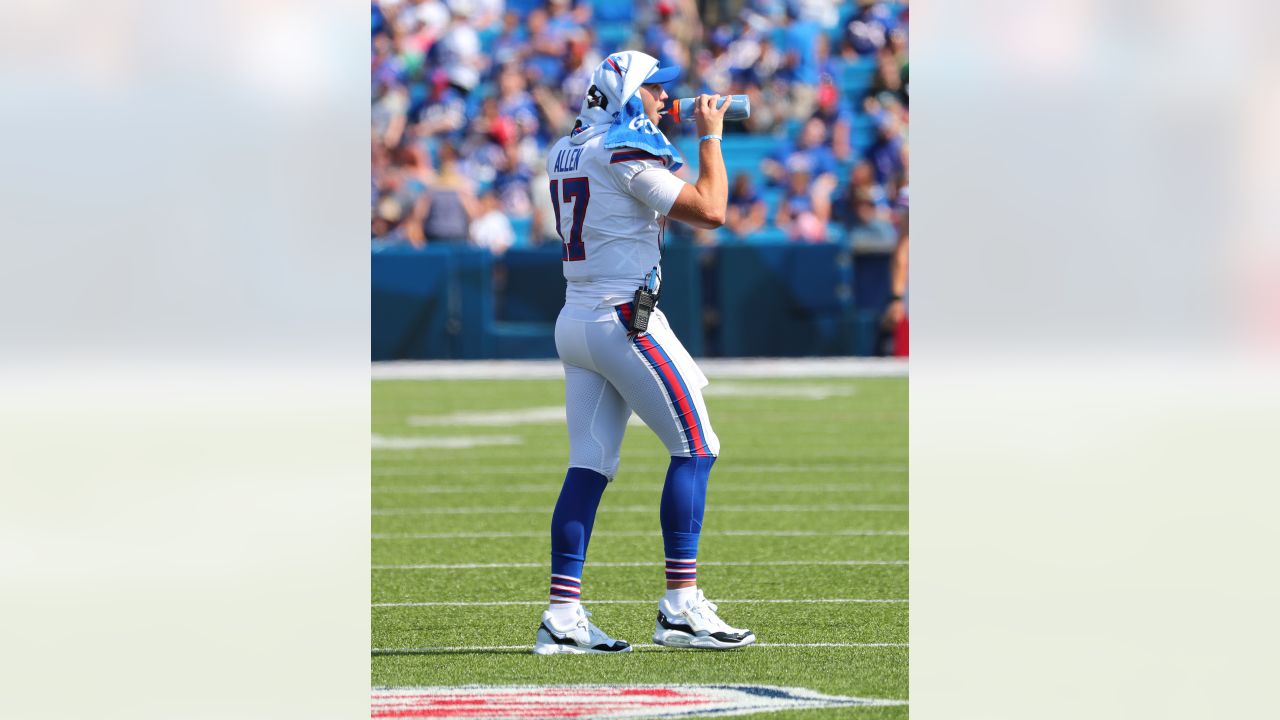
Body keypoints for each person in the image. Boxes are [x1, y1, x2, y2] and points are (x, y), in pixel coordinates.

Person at [534, 50, 756, 655]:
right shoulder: (620, 151)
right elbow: (711, 212)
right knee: (698, 446)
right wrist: (711, 137)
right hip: (621, 318)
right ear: (630, 93)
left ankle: (562, 616)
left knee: (590, 464)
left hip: (576, 317)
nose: (665, 99)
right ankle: (681, 608)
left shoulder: (568, 148)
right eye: (656, 90)